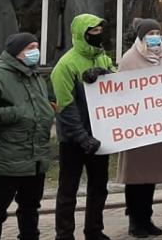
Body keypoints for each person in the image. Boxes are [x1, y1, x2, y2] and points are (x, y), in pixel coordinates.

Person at [0, 33, 54, 240]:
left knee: (30, 208)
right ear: (17, 52)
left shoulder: (37, 78)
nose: (35, 52)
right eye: (30, 48)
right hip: (8, 159)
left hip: (36, 158)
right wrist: (13, 113)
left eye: (36, 46)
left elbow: (39, 108)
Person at [51, 14, 114, 240]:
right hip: (73, 140)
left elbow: (118, 87)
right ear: (82, 34)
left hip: (100, 135)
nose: (98, 35)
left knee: (99, 188)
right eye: (93, 31)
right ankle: (64, 234)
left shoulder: (103, 58)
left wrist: (107, 74)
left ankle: (94, 230)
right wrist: (81, 136)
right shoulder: (66, 65)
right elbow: (64, 107)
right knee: (68, 190)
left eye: (100, 30)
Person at [116, 19, 162, 237]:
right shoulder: (130, 59)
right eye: (150, 32)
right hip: (138, 131)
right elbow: (121, 92)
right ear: (141, 36)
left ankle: (147, 217)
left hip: (159, 128)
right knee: (136, 178)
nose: (155, 36)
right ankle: (135, 220)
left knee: (151, 177)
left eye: (157, 32)